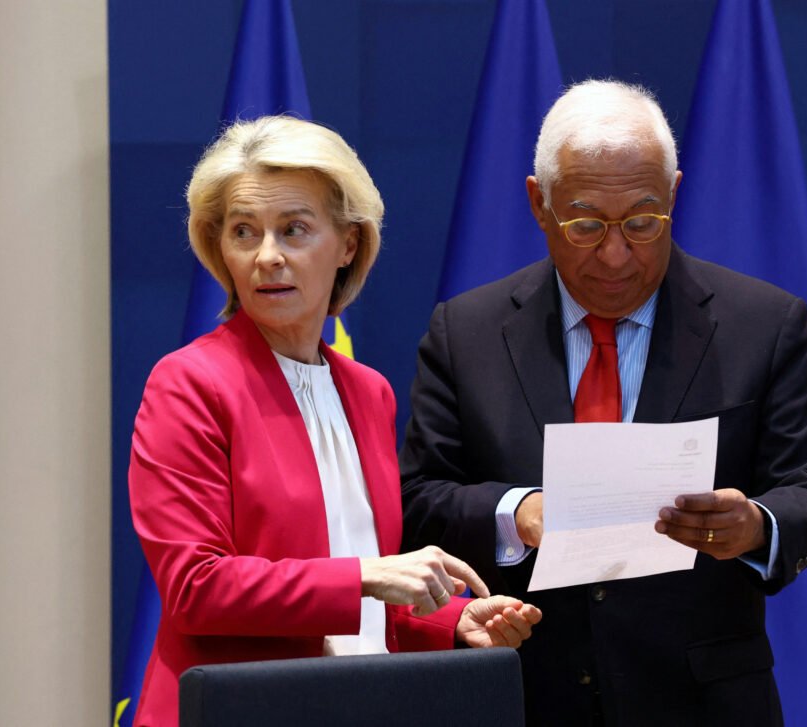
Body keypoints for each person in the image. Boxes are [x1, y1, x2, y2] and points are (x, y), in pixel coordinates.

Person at [400, 80, 807, 726]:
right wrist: (516, 511)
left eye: (643, 222)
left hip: (705, 703)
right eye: (587, 224)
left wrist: (755, 523)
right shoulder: (466, 332)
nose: (616, 254)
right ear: (540, 204)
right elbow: (417, 500)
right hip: (527, 696)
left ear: (673, 193)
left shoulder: (763, 323)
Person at [128, 115, 541, 727]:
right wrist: (370, 575)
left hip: (356, 704)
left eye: (294, 229)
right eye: (244, 232)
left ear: (349, 243)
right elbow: (196, 588)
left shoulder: (367, 392)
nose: (268, 256)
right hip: (240, 712)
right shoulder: (188, 383)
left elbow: (354, 586)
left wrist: (447, 618)